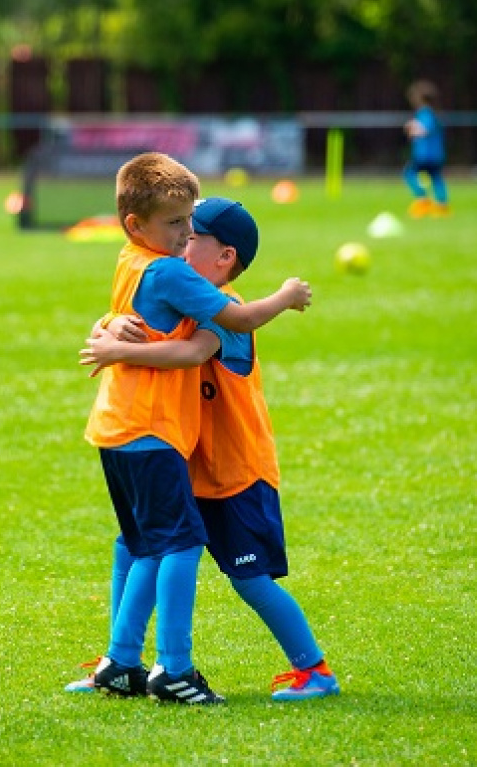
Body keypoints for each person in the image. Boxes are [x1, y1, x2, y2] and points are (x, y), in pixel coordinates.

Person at [75, 197, 339, 702]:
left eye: (191, 236)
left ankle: (315, 670)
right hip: (187, 464)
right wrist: (107, 325)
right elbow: (127, 311)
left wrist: (117, 349)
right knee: (133, 545)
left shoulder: (225, 311)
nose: (178, 241)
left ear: (224, 258)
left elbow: (191, 352)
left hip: (235, 473)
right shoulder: (173, 289)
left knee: (250, 579)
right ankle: (120, 662)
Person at [403, 80, 449, 218]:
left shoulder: (425, 113)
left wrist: (412, 127)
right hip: (437, 154)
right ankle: (442, 205)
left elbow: (424, 129)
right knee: (436, 178)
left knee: (409, 173)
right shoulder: (435, 113)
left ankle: (422, 200)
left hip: (424, 154)